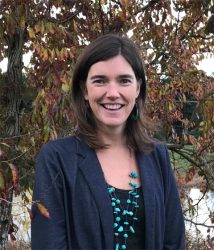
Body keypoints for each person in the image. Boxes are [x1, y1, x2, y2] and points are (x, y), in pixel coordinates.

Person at [31, 33, 185, 250]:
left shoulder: (157, 156)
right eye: (100, 81)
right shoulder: (57, 160)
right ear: (85, 89)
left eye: (124, 80)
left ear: (138, 88)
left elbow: (174, 242)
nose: (113, 93)